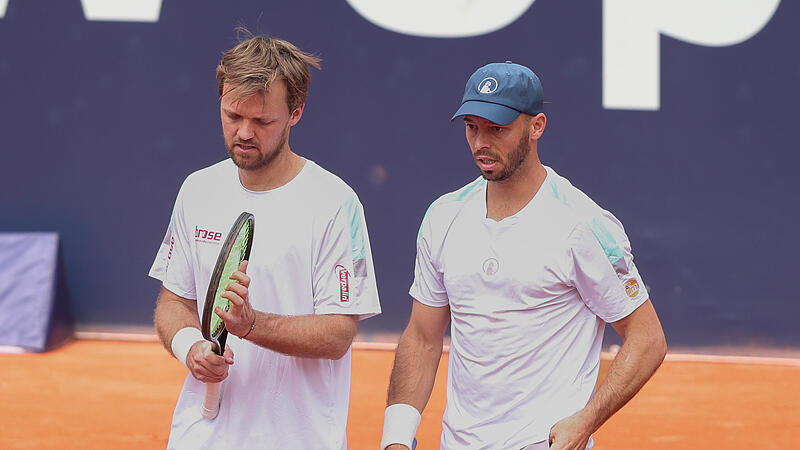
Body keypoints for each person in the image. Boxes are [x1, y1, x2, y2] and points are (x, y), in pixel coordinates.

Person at [380, 62, 666, 450]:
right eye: (472, 127)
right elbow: (422, 337)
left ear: (537, 127)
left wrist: (585, 420)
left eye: (497, 129)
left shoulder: (583, 223)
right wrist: (396, 438)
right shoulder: (443, 216)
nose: (481, 142)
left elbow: (647, 338)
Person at [150, 34, 381, 449]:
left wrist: (252, 325)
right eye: (232, 115)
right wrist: (191, 347)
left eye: (262, 121)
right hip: (199, 437)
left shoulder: (335, 203)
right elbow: (173, 301)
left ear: (296, 113)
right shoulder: (196, 189)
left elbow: (338, 334)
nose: (244, 132)